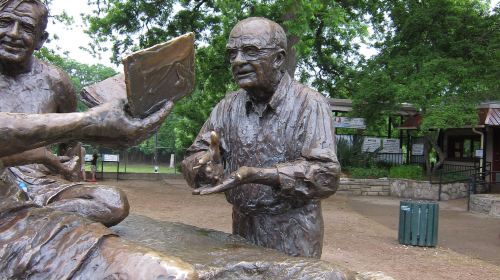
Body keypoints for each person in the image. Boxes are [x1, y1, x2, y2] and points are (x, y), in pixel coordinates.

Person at [182, 17, 340, 258]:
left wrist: (257, 175)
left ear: (278, 58)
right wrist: (202, 165)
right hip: (242, 232)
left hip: (294, 237)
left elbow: (326, 175)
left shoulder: (310, 104)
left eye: (250, 51)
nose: (238, 61)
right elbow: (195, 156)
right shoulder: (227, 107)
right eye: (232, 53)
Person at [0, 0, 129, 227]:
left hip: (39, 185)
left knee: (112, 202)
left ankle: (21, 218)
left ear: (41, 40)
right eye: (5, 23)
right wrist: (40, 154)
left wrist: (71, 169)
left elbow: (70, 144)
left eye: (27, 28)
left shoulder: (56, 81)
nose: (13, 34)